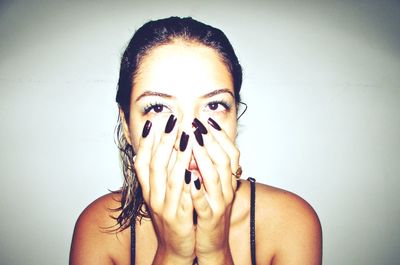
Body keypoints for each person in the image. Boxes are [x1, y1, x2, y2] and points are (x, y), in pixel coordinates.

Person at [69, 16, 322, 265]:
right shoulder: (100, 228)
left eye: (214, 105)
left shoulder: (290, 223)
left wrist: (216, 252)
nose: (187, 135)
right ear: (126, 125)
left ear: (235, 119)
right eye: (158, 108)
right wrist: (173, 255)